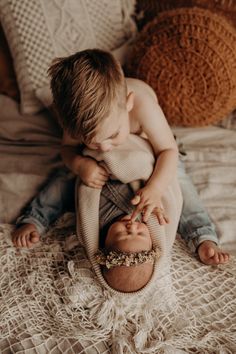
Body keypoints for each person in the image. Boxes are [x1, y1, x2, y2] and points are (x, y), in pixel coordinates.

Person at [12, 49, 229, 266]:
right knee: (63, 175)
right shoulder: (78, 118)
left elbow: (168, 151)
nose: (105, 147)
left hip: (151, 153)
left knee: (180, 183)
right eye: (93, 141)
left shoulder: (143, 105)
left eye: (113, 135)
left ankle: (202, 236)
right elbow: (67, 150)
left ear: (128, 103)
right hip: (100, 163)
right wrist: (80, 164)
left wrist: (155, 188)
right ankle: (35, 218)